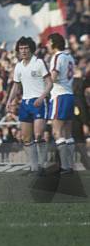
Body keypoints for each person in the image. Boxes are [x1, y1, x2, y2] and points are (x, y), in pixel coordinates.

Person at [6, 37, 52, 175]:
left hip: (38, 102)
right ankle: (33, 167)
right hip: (25, 103)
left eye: (26, 48)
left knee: (38, 135)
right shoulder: (19, 66)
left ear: (31, 48)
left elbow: (49, 83)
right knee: (26, 138)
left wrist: (42, 97)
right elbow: (16, 85)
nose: (24, 51)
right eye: (21, 48)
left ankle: (42, 165)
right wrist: (9, 100)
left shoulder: (38, 63)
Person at [46, 33, 76, 174]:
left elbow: (53, 77)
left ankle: (64, 166)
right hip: (69, 94)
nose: (47, 45)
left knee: (57, 131)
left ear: (53, 43)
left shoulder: (57, 57)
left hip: (60, 95)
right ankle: (70, 165)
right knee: (68, 133)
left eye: (48, 42)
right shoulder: (69, 57)